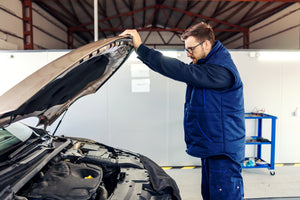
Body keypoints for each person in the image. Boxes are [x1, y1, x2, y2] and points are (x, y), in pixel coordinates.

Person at [120, 22, 245, 200]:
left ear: (207, 44)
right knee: (210, 196)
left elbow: (182, 70)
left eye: (191, 49)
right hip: (213, 149)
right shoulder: (207, 66)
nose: (188, 54)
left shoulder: (221, 71)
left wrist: (141, 48)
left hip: (223, 153)